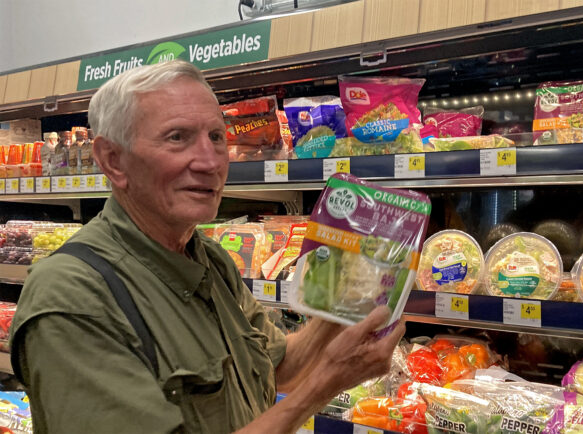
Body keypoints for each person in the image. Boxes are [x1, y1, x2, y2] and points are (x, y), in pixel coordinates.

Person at [9, 60, 405, 434]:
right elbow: (302, 384)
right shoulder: (72, 295)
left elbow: (277, 368)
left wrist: (344, 305)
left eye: (216, 137)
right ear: (113, 161)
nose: (209, 161)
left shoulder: (209, 259)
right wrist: (322, 386)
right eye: (177, 137)